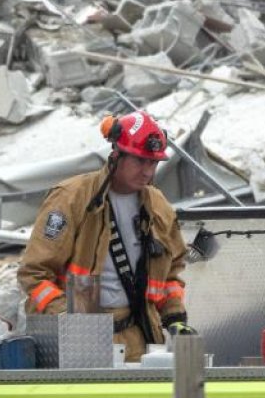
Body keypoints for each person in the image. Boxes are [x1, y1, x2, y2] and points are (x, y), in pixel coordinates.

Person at [17, 110, 195, 362]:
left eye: (153, 162)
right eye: (139, 161)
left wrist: (175, 317)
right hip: (75, 341)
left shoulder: (158, 206)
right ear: (116, 155)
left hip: (137, 338)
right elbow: (33, 273)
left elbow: (171, 274)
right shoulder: (71, 198)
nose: (147, 171)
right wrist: (67, 319)